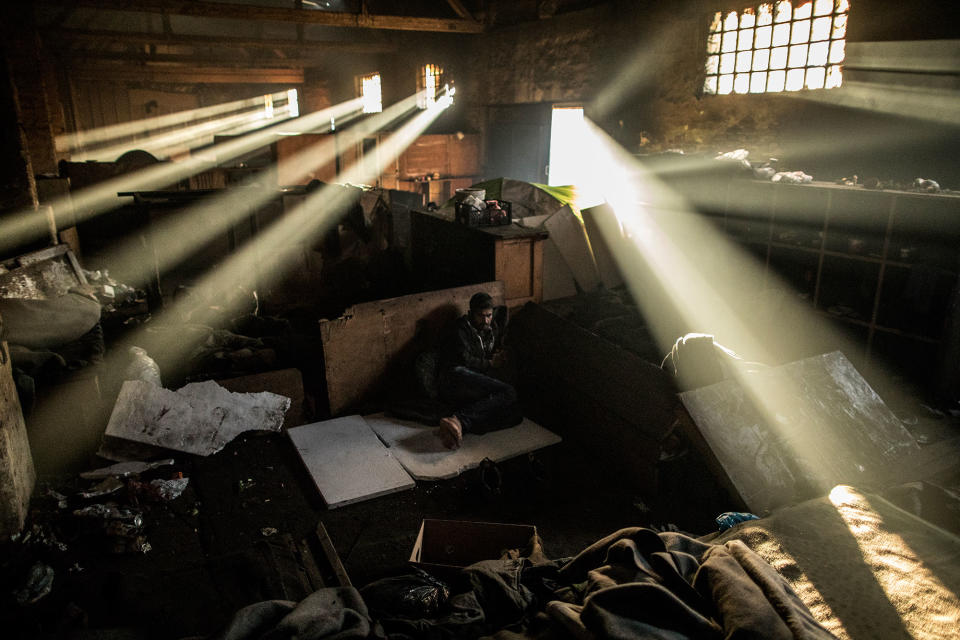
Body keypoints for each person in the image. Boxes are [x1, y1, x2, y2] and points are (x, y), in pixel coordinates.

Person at [436, 292, 522, 449]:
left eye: (489, 315)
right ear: (470, 314)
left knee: (513, 412)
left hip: (475, 377)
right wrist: (490, 363)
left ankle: (457, 426)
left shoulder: (491, 327)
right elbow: (465, 359)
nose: (486, 320)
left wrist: (500, 354)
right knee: (508, 392)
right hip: (456, 374)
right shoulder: (460, 329)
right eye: (481, 316)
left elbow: (494, 346)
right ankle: (459, 420)